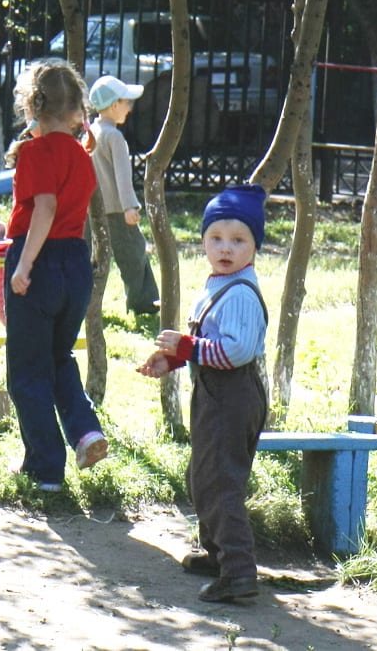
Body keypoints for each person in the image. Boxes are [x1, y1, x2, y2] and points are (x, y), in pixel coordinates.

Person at [137, 184, 268, 603]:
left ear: (255, 246)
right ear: (204, 241)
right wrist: (175, 358)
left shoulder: (241, 293)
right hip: (215, 393)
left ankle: (239, 571)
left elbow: (235, 351)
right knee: (203, 475)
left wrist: (188, 347)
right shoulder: (219, 284)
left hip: (234, 397)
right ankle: (217, 553)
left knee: (220, 481)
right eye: (216, 238)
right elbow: (207, 343)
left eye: (238, 240)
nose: (226, 248)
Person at [4, 59, 108, 493]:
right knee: (58, 356)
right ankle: (85, 431)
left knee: (27, 369)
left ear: (32, 106)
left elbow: (43, 209)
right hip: (75, 264)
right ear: (77, 109)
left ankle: (45, 470)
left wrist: (24, 265)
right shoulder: (84, 156)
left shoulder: (36, 153)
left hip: (40, 262)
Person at [88, 75, 160, 315]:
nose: (129, 108)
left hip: (90, 211)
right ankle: (145, 302)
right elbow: (122, 175)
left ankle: (87, 303)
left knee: (93, 258)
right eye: (126, 102)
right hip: (117, 211)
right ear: (114, 105)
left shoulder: (90, 134)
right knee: (134, 255)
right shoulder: (115, 137)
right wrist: (130, 206)